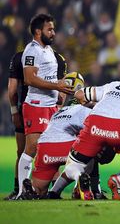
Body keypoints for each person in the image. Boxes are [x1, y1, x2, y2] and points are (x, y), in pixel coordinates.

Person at [16, 13, 74, 199]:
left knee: (47, 148)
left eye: (53, 29)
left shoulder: (48, 50)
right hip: (36, 105)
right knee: (31, 148)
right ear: (38, 31)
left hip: (51, 106)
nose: (54, 33)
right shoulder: (32, 50)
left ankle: (42, 190)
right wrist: (56, 86)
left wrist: (60, 91)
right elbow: (29, 79)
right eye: (50, 29)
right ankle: (20, 191)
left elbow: (48, 78)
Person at [6, 49, 68, 200]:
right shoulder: (56, 57)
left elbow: (63, 87)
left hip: (33, 108)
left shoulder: (22, 56)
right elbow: (12, 88)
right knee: (40, 150)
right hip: (33, 107)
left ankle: (23, 190)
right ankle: (27, 190)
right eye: (49, 29)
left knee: (24, 150)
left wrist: (14, 111)